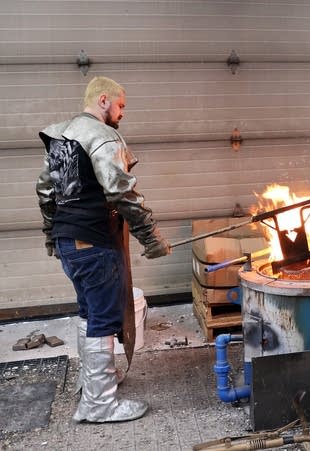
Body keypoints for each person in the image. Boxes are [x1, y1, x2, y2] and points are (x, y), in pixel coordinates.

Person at [36, 76, 171, 422]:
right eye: (120, 106)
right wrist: (151, 237)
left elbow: (47, 193)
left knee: (89, 312)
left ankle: (95, 384)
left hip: (71, 243)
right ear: (103, 100)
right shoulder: (102, 136)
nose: (122, 113)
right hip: (94, 242)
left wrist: (53, 236)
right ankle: (99, 406)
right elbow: (121, 192)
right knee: (103, 318)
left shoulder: (60, 137)